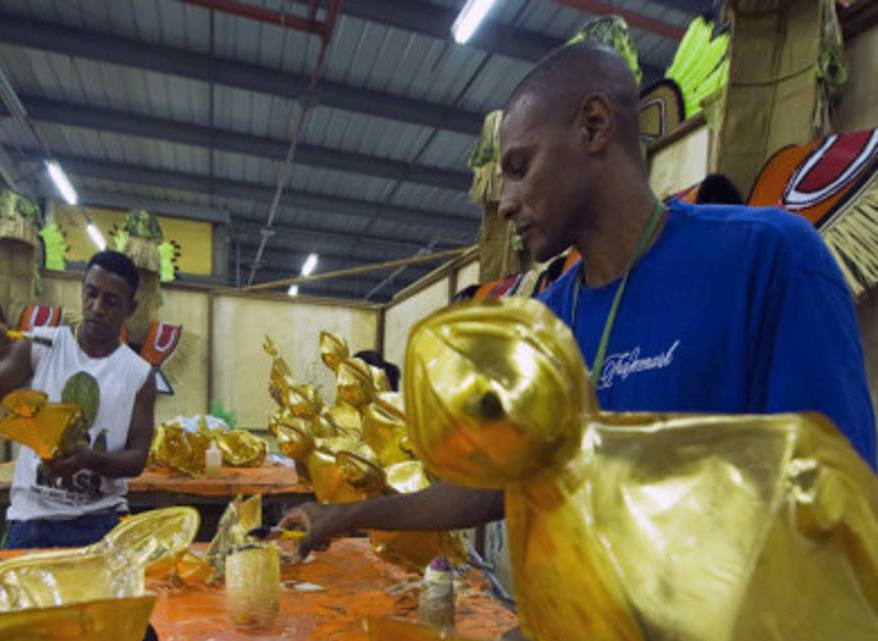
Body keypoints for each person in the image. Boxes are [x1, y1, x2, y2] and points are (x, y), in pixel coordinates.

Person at [283, 41, 877, 558]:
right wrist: (350, 517)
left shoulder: (766, 260)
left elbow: (833, 510)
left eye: (520, 167)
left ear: (593, 126)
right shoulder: (548, 320)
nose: (507, 201)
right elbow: (506, 483)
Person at [0, 249, 160, 641]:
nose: (97, 308)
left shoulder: (139, 375)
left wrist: (90, 460)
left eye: (111, 300)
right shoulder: (41, 347)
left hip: (99, 522)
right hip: (32, 520)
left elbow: (137, 459)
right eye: (91, 294)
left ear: (130, 309)